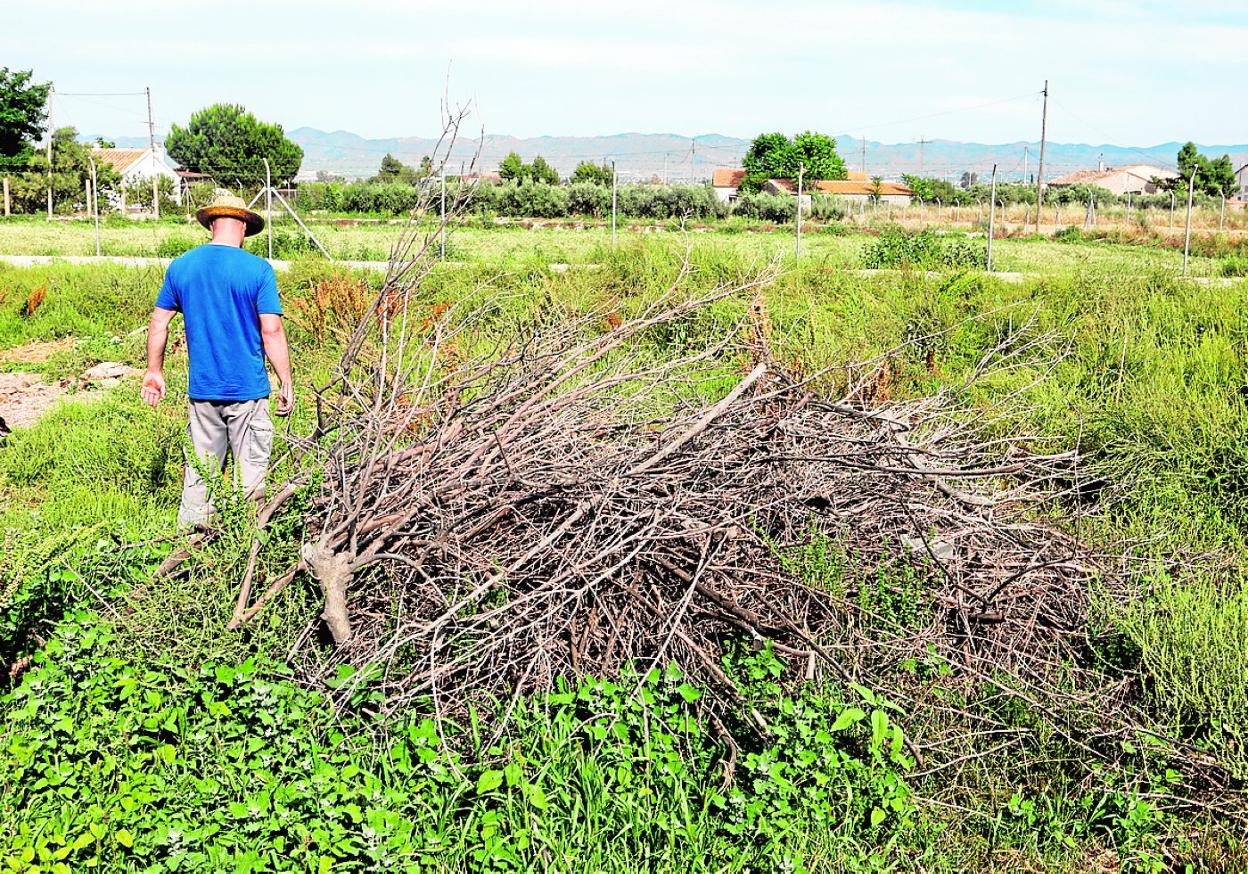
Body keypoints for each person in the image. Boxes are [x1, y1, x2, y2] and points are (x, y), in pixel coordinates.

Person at [141, 190, 294, 528]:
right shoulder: (258, 270)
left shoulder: (182, 266)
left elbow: (159, 322)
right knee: (250, 478)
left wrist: (154, 371)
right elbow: (271, 331)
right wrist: (285, 379)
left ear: (211, 224)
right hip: (248, 392)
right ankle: (247, 542)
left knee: (200, 477)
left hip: (203, 393)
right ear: (244, 226)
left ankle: (192, 544)